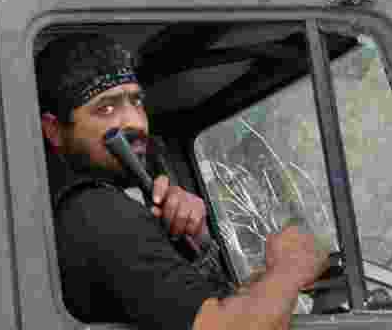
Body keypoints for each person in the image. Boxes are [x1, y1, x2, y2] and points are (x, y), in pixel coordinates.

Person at [36, 33, 329, 330]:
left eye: (136, 101)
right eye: (106, 109)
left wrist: (195, 243)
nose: (136, 122)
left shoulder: (76, 213)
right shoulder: (99, 213)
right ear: (54, 130)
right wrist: (292, 266)